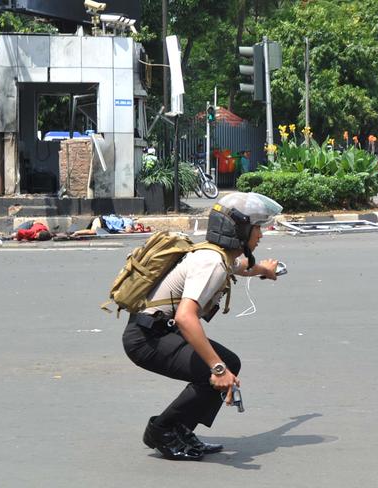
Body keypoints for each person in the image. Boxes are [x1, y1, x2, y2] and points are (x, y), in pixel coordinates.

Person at [121, 192, 283, 461]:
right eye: (258, 229)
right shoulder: (212, 263)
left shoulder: (216, 254)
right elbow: (186, 317)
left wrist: (262, 269)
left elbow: (238, 266)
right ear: (240, 229)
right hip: (147, 338)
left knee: (228, 363)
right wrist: (217, 369)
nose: (261, 236)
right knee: (218, 370)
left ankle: (180, 429)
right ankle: (162, 430)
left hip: (157, 331)